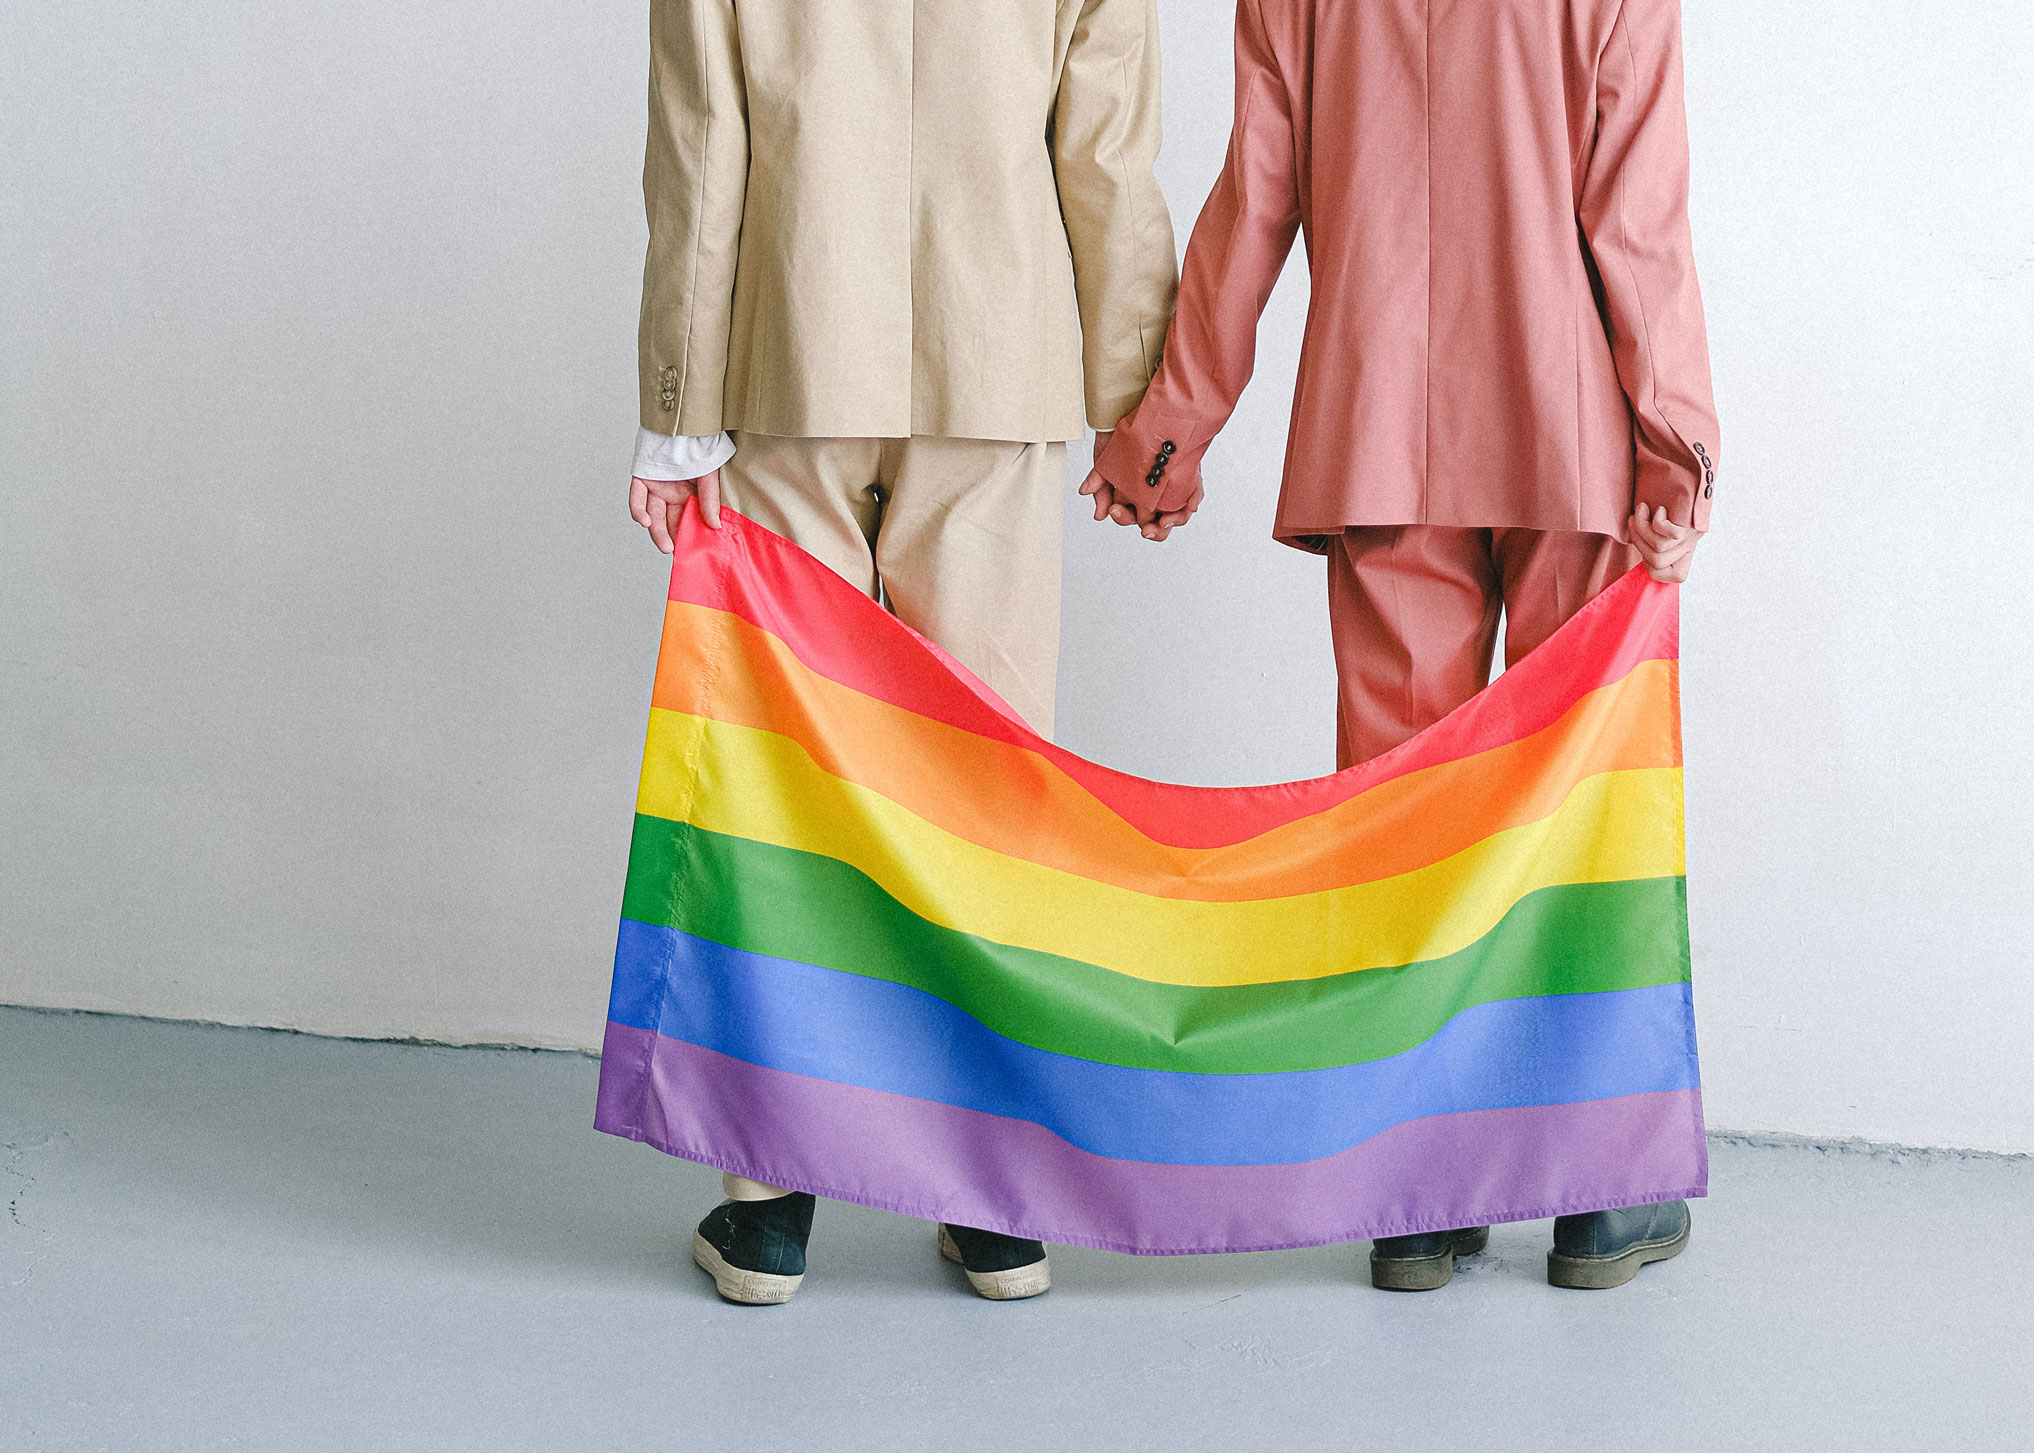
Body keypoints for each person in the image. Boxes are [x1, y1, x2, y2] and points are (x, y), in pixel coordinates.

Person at [1083, 0, 1717, 1290]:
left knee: (1400, 818)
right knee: (1581, 815)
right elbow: (1636, 223)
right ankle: (1599, 1196)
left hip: (1378, 434)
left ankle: (1416, 1200)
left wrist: (1167, 437)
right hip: (1572, 443)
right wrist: (1678, 451)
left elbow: (1251, 207)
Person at [623, 0, 1177, 1304]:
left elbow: (702, 144)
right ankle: (988, 1199)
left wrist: (676, 415)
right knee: (991, 781)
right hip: (1000, 365)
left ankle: (768, 1204)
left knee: (781, 783)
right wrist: (1135, 409)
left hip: (790, 359)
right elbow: (1105, 156)